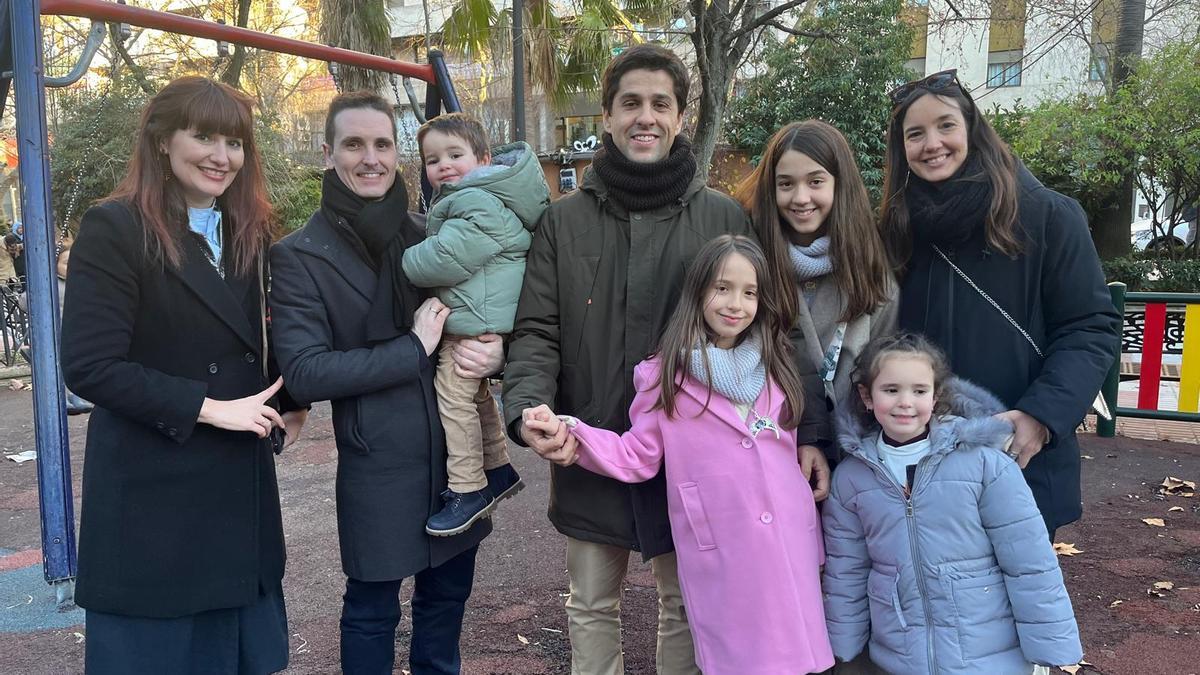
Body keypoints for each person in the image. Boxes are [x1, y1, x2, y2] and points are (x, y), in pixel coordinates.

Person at [503, 43, 832, 674]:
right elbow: (537, 330)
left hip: (703, 459)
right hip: (593, 442)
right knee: (592, 601)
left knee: (687, 602)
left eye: (661, 104)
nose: (645, 117)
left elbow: (775, 326)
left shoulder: (723, 217)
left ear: (681, 117)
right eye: (631, 103)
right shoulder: (563, 223)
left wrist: (809, 430)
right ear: (607, 116)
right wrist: (528, 408)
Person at [60, 76, 307, 674]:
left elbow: (262, 333)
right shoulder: (115, 227)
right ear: (162, 140)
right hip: (154, 495)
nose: (222, 157)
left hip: (235, 492)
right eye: (204, 137)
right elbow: (91, 365)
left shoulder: (247, 230)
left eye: (235, 142)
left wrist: (295, 396)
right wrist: (210, 407)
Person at [268, 91, 502, 675]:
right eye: (354, 144)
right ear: (328, 154)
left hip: (456, 457)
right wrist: (411, 348)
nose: (370, 158)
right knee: (372, 609)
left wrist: (496, 349)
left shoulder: (431, 235)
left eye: (381, 144)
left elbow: (489, 309)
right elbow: (305, 369)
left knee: (446, 602)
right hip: (378, 460)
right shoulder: (299, 255)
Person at [528, 235, 834, 675]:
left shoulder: (777, 363)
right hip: (722, 545)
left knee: (800, 653)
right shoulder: (664, 375)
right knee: (740, 659)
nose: (736, 304)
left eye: (750, 293)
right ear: (698, 293)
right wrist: (572, 431)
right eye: (722, 288)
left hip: (788, 536)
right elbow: (638, 454)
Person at [879, 69, 1120, 537]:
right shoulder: (896, 229)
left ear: (972, 127)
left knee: (1021, 602)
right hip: (922, 454)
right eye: (915, 134)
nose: (932, 143)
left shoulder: (1047, 215)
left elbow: (1088, 327)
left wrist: (1041, 416)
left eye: (946, 125)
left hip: (1017, 448)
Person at [822, 332, 1083, 674]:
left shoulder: (984, 463)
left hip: (987, 653)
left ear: (937, 396)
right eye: (891, 390)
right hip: (901, 654)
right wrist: (843, 645)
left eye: (919, 391)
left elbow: (1028, 560)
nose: (905, 402)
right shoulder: (852, 477)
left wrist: (1051, 643)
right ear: (866, 396)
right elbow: (847, 569)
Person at [402, 112, 547, 536]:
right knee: (478, 396)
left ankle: (468, 487)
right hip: (482, 315)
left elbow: (446, 258)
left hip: (475, 322)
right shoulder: (478, 197)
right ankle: (498, 468)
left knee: (451, 395)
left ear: (483, 159)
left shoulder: (474, 201)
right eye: (432, 160)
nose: (443, 165)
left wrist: (403, 262)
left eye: (455, 154)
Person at [736, 120, 897, 467]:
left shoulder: (872, 270)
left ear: (840, 185)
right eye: (786, 184)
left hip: (859, 456)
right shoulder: (748, 265)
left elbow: (891, 366)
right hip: (772, 450)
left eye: (816, 181)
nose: (801, 198)